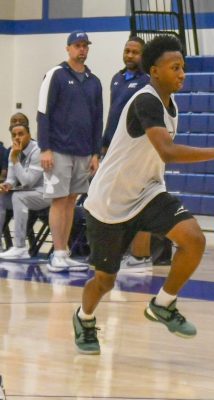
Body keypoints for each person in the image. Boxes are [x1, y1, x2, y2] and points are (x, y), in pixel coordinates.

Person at [73, 35, 214, 355]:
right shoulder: (146, 100)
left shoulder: (171, 106)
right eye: (175, 67)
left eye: (183, 67)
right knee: (105, 281)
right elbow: (168, 152)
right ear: (155, 71)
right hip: (109, 202)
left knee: (194, 239)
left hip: (147, 192)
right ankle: (84, 317)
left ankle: (163, 304)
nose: (182, 73)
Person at [37, 30, 103, 272]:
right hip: (58, 149)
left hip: (84, 151)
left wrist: (96, 153)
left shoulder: (94, 81)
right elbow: (43, 113)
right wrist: (45, 148)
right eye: (77, 45)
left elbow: (98, 119)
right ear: (68, 48)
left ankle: (64, 251)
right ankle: (58, 251)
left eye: (85, 45)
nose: (82, 49)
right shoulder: (55, 75)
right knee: (59, 199)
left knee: (72, 199)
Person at [103, 36, 153, 272]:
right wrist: (104, 144)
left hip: (135, 150)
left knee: (139, 202)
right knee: (117, 203)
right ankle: (121, 252)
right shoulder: (117, 78)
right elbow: (112, 114)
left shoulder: (148, 82)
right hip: (113, 150)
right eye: (127, 51)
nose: (130, 55)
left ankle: (141, 257)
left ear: (143, 55)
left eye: (135, 52)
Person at [0, 123, 51, 259]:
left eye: (21, 134)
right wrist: (6, 185)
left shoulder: (38, 151)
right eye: (14, 135)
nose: (17, 138)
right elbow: (11, 179)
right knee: (1, 198)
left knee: (18, 197)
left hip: (46, 194)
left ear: (29, 135)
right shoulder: (13, 151)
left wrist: (15, 160)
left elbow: (28, 181)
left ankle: (20, 247)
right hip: (28, 193)